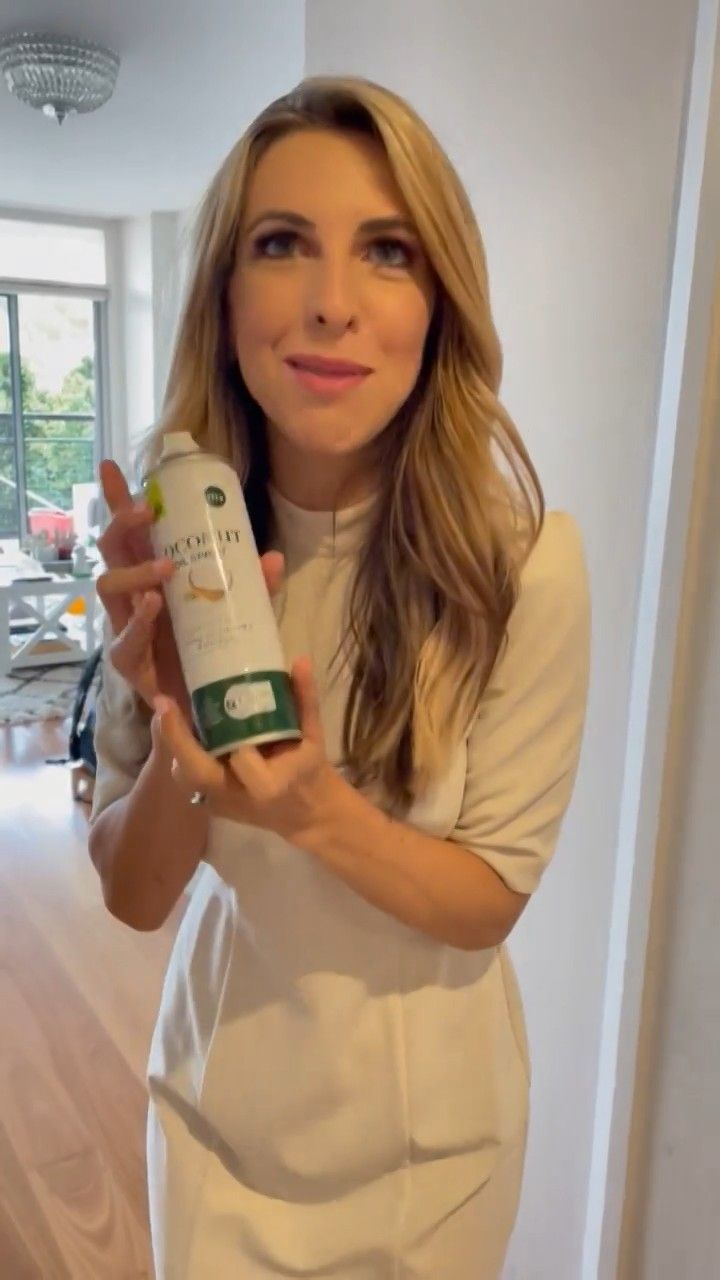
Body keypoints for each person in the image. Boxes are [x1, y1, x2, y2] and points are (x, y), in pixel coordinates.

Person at [89, 76, 591, 1280]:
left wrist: (312, 809)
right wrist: (175, 732)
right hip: (214, 1125)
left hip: (434, 1161)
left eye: (387, 250)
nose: (330, 301)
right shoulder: (170, 550)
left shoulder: (522, 565)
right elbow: (134, 894)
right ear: (224, 296)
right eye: (281, 244)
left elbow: (488, 899)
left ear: (438, 303)